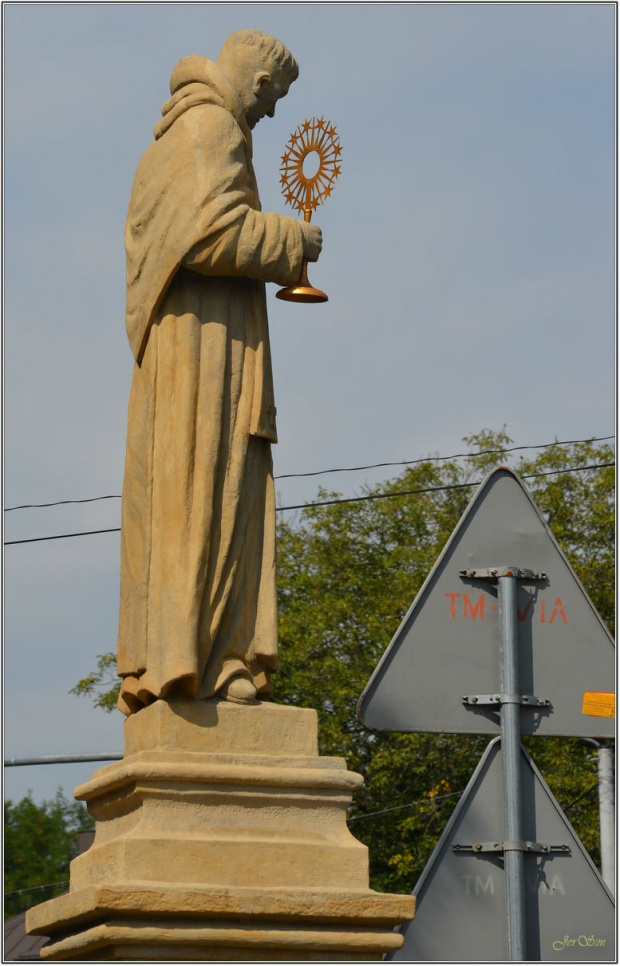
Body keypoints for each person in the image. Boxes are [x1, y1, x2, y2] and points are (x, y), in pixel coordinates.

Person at [116, 30, 322, 716]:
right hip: (208, 355)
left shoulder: (179, 133)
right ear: (249, 75)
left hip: (190, 346)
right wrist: (295, 241)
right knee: (213, 490)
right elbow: (211, 232)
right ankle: (202, 660)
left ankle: (186, 658)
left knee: (189, 495)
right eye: (269, 93)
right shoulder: (211, 128)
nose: (268, 111)